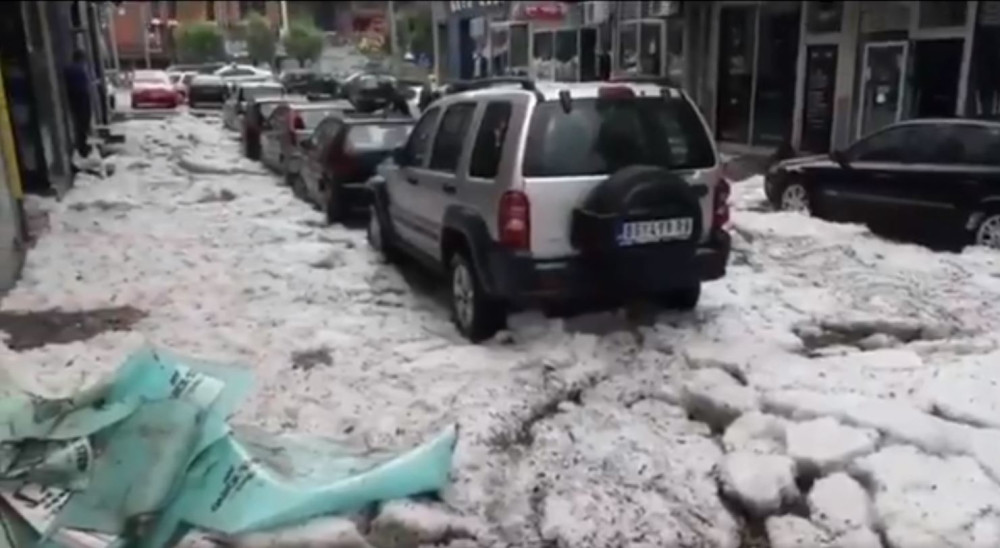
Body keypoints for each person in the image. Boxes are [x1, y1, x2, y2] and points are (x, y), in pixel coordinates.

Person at [63, 49, 92, 159]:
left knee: (79, 125)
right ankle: (82, 149)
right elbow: (83, 88)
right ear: (81, 59)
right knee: (83, 125)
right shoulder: (79, 70)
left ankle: (82, 147)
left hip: (74, 101)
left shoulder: (68, 69)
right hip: (81, 100)